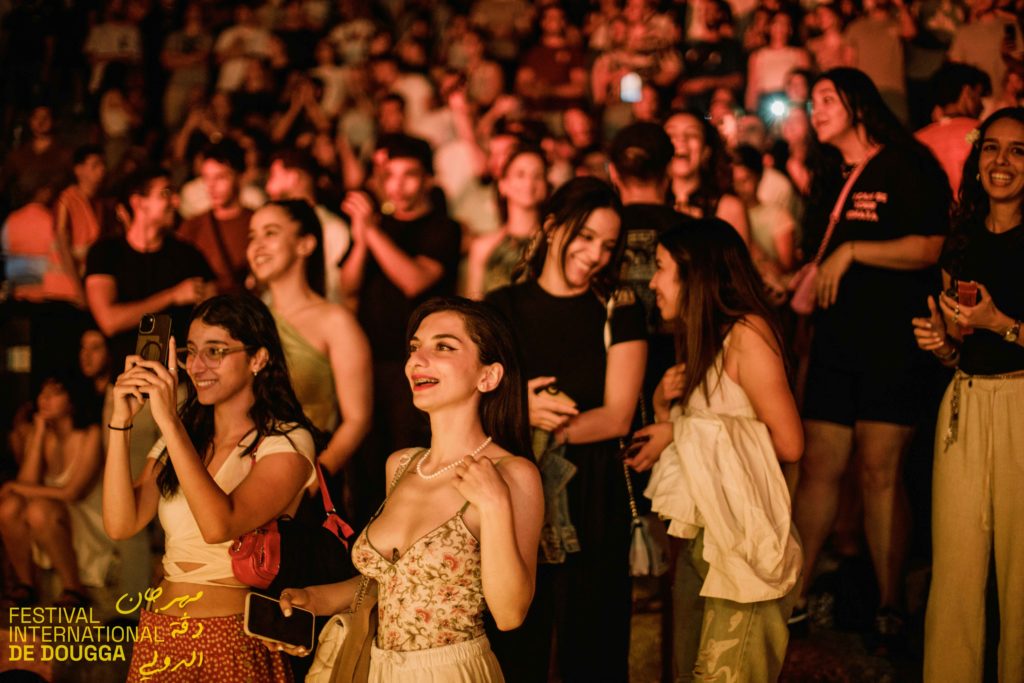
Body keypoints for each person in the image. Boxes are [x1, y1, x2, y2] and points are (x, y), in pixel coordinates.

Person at [276, 297, 544, 682]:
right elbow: (392, 585)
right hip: (379, 671)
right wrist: (315, 599)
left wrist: (496, 504)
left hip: (452, 671)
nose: (417, 360)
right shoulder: (400, 465)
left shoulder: (512, 473)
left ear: (489, 376)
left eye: (444, 347)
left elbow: (510, 614)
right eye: (415, 347)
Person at [790, 68, 951, 638]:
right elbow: (819, 256)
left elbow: (933, 245)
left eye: (827, 100)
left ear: (859, 103)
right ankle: (796, 597)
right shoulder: (826, 176)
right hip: (836, 344)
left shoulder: (906, 162)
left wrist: (856, 250)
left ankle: (890, 606)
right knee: (819, 468)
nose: (816, 111)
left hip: (892, 343)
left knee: (880, 471)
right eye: (811, 103)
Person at [103, 294, 320, 682]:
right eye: (190, 352)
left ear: (258, 359)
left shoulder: (286, 442)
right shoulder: (185, 437)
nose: (196, 366)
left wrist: (169, 421)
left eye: (215, 352)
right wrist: (120, 423)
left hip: (233, 637)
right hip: (160, 632)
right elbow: (122, 523)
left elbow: (220, 524)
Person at [486, 177, 647, 682]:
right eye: (585, 236)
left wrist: (527, 416)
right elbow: (472, 402)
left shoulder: (619, 307)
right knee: (515, 637)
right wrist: (520, 412)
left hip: (593, 491)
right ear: (553, 228)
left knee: (594, 644)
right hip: (515, 491)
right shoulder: (500, 307)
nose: (595, 254)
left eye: (607, 245)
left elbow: (617, 417)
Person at [634, 219, 803, 682]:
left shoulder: (748, 333)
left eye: (661, 268)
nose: (652, 281)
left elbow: (789, 443)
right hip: (702, 539)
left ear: (696, 274)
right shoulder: (702, 338)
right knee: (689, 667)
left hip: (743, 544)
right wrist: (663, 409)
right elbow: (698, 453)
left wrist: (679, 431)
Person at [911, 106, 1024, 682]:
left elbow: (999, 328)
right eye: (992, 148)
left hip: (1021, 406)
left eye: (1018, 151)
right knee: (954, 569)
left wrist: (1001, 320)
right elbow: (962, 344)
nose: (1001, 162)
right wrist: (942, 344)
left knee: (1021, 575)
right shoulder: (961, 238)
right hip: (964, 401)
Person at [340, 134, 462, 523]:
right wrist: (362, 238)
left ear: (427, 179)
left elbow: (413, 279)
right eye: (390, 176)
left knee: (410, 455)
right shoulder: (378, 227)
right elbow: (348, 285)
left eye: (409, 175)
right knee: (365, 462)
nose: (398, 185)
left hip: (418, 365)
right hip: (368, 359)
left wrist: (371, 230)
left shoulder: (443, 228)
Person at [246, 199, 372, 489]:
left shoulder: (335, 321)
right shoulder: (248, 321)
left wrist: (314, 481)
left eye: (270, 233)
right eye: (251, 236)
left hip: (307, 476)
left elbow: (358, 419)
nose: (257, 245)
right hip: (244, 476)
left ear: (305, 244)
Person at [84, 166, 215, 371]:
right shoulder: (105, 254)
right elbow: (109, 321)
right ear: (138, 202)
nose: (176, 201)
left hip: (178, 384)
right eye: (165, 193)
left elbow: (212, 314)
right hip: (125, 383)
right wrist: (173, 296)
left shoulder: (188, 256)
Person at [0, 372, 113, 608]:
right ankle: (26, 585)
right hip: (50, 516)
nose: (45, 399)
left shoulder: (90, 434)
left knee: (37, 510)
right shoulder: (43, 433)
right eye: (43, 393)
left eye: (55, 393)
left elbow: (74, 493)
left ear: (72, 400)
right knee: (9, 507)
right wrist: (39, 433)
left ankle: (74, 588)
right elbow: (26, 484)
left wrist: (14, 486)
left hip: (87, 519)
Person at [464, 146, 548, 300]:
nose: (529, 182)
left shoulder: (553, 243)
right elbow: (473, 305)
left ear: (546, 186)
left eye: (538, 175)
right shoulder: (483, 247)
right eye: (520, 175)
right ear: (503, 185)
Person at [177, 140, 253, 295]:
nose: (211, 186)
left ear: (239, 176)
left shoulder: (257, 222)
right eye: (206, 178)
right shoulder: (193, 226)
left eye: (220, 177)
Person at [664, 109, 751, 242]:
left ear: (706, 151)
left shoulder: (729, 208)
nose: (681, 140)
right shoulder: (648, 202)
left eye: (692, 134)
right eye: (671, 134)